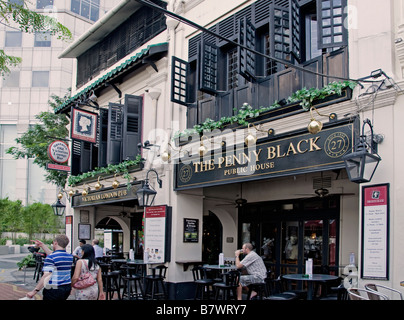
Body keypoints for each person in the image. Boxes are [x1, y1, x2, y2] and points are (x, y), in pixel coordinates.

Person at [26, 235, 74, 300]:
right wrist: (42, 245)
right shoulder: (70, 257)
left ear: (55, 243)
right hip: (66, 288)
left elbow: (46, 276)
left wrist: (34, 291)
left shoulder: (51, 257)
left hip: (53, 289)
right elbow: (54, 255)